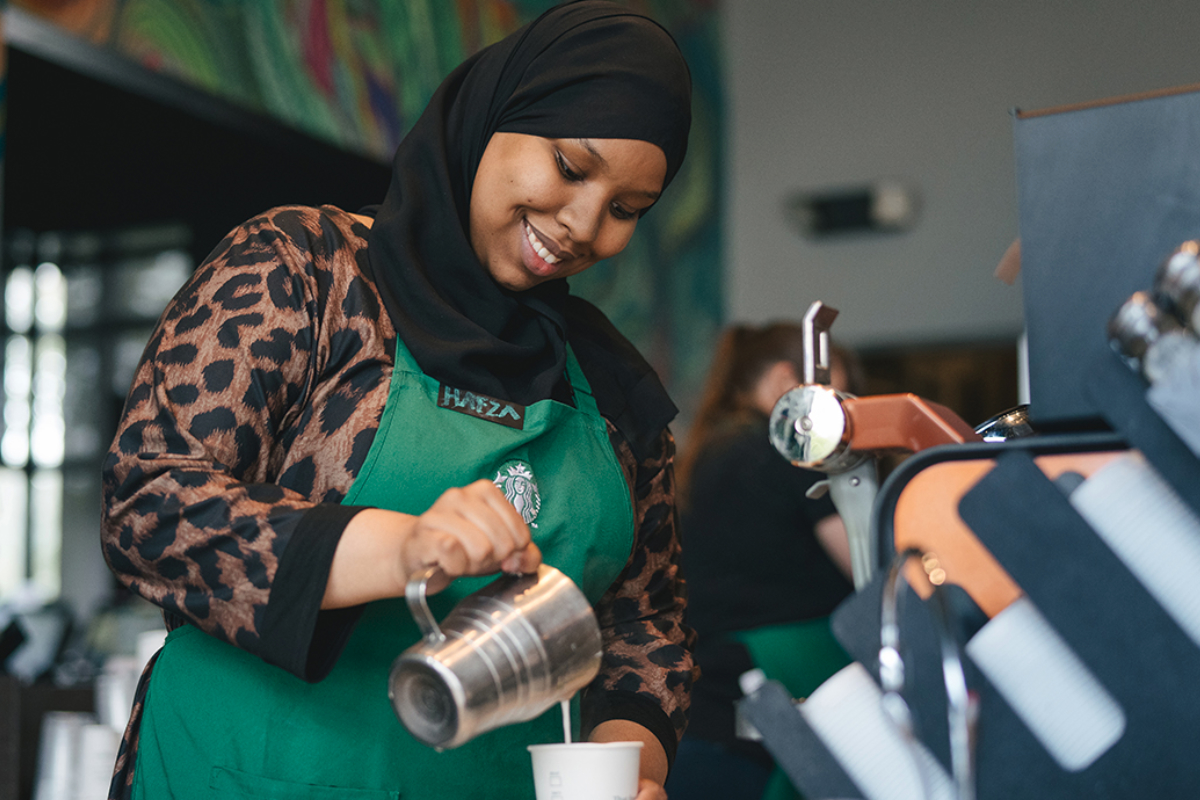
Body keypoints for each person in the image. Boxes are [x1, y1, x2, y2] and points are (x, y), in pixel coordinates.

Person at [99, 4, 695, 799]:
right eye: (570, 167)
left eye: (628, 209)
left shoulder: (612, 386)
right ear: (493, 119)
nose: (585, 224)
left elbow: (643, 623)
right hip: (246, 773)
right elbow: (150, 505)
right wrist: (396, 550)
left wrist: (633, 763)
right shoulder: (305, 273)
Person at [665, 323, 861, 800]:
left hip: (708, 712)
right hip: (761, 715)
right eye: (837, 399)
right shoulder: (785, 449)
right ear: (782, 383)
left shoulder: (713, 449)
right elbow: (866, 563)